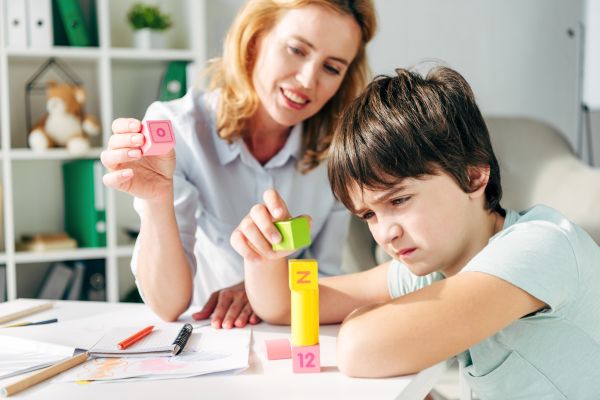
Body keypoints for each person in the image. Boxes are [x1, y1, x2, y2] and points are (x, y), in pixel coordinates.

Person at [233, 66, 600, 399]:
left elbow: (361, 349)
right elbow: (287, 305)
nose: (385, 234)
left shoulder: (538, 247)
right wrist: (262, 255)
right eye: (368, 215)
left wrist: (365, 317)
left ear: (473, 176)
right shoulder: (438, 265)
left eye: (399, 200)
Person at [100, 0, 377, 327]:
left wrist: (264, 286)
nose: (306, 80)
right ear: (255, 39)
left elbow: (326, 276)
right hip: (207, 333)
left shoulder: (338, 151)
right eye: (296, 50)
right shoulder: (179, 130)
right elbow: (167, 306)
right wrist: (158, 199)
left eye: (331, 68)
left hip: (288, 332)